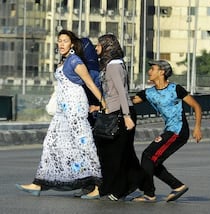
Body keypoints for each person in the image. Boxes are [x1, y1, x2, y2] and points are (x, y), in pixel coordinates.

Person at [15, 29, 104, 196]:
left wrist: (103, 103)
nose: (61, 44)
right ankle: (39, 183)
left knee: (83, 144)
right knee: (50, 143)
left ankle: (97, 185)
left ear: (72, 44)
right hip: (63, 109)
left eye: (65, 41)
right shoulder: (64, 61)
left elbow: (90, 83)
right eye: (59, 41)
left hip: (75, 107)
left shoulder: (75, 61)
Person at [80, 34, 145, 201]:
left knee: (111, 153)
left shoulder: (114, 65)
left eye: (99, 45)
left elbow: (122, 92)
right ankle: (129, 185)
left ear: (107, 46)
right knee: (122, 153)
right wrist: (100, 106)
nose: (96, 48)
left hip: (120, 114)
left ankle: (111, 188)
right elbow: (112, 93)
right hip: (114, 111)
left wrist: (126, 116)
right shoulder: (112, 64)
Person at [131, 59, 202, 202]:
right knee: (153, 161)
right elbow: (130, 101)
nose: (149, 72)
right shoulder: (149, 92)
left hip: (178, 130)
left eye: (153, 69)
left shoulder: (175, 89)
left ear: (162, 72)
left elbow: (196, 106)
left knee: (148, 156)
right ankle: (177, 186)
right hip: (169, 130)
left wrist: (197, 128)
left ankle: (149, 194)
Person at [71, 37, 102, 198]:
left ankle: (92, 186)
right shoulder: (95, 69)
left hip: (90, 115)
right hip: (91, 115)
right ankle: (90, 185)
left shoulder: (88, 71)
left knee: (88, 151)